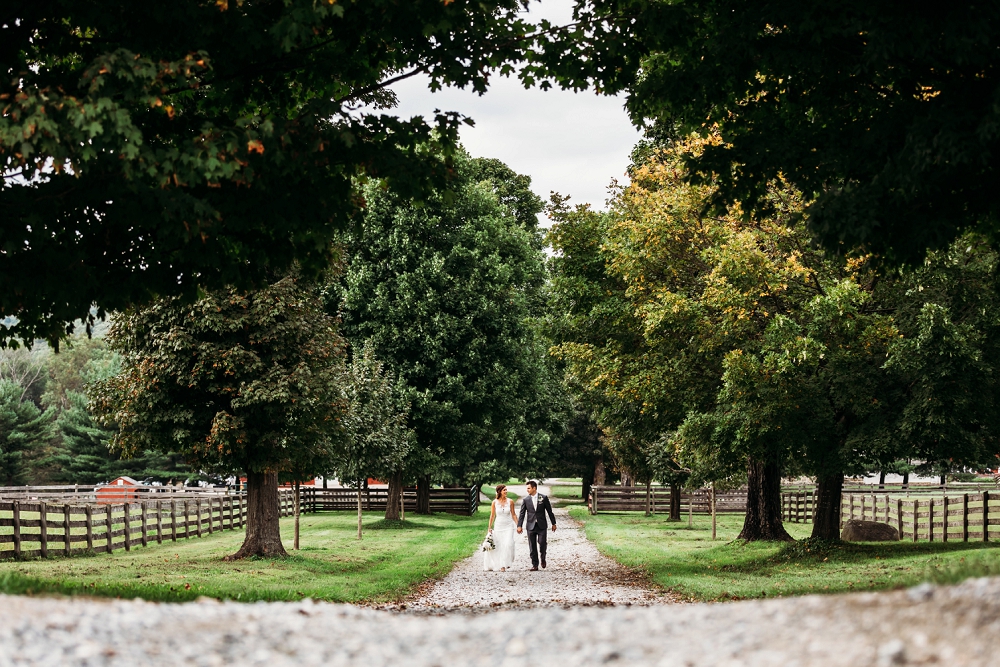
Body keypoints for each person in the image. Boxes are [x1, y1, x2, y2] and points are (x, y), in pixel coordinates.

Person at [517, 480, 556, 571]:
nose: (527, 490)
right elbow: (522, 513)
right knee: (532, 546)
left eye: (529, 488)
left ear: (534, 488)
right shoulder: (526, 500)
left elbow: (549, 511)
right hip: (530, 526)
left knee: (542, 543)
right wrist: (519, 525)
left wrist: (553, 523)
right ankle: (535, 564)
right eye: (527, 488)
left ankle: (543, 558)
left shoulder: (543, 498)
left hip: (541, 525)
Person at [484, 484, 517, 571]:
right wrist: (489, 527)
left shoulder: (510, 502)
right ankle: (502, 565)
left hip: (509, 526)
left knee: (508, 544)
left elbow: (513, 514)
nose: (506, 491)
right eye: (504, 490)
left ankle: (507, 561)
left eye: (506, 490)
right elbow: (492, 515)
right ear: (499, 491)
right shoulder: (494, 502)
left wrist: (518, 525)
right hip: (498, 526)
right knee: (500, 546)